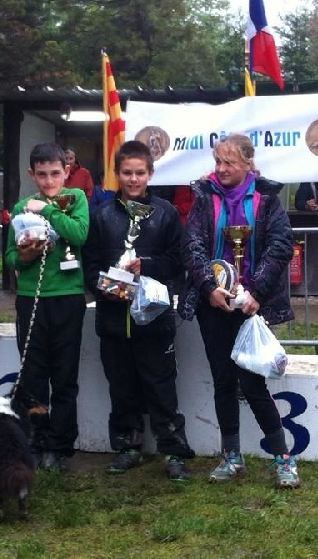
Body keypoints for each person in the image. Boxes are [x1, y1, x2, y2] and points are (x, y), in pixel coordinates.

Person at [179, 133, 301, 489]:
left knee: (252, 381)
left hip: (251, 306)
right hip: (213, 304)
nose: (221, 169)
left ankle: (283, 458)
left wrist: (256, 294)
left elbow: (280, 246)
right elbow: (192, 245)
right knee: (222, 380)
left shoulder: (267, 200)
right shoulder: (204, 197)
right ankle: (231, 456)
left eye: (229, 162)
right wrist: (208, 287)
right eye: (218, 161)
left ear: (249, 163)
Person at [83, 140, 195, 481]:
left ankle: (174, 452)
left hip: (155, 319)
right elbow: (89, 265)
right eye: (127, 173)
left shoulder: (166, 213)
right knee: (121, 385)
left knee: (161, 386)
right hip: (114, 318)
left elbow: (179, 262)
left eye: (140, 173)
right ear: (117, 174)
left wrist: (144, 266)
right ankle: (127, 446)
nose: (133, 180)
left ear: (150, 173)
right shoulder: (101, 215)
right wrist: (105, 287)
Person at [5, 142, 89, 473]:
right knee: (34, 374)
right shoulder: (21, 207)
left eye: (55, 174)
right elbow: (11, 258)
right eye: (42, 175)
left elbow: (80, 235)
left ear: (66, 171)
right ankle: (37, 440)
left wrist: (50, 210)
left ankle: (61, 445)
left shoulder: (75, 199)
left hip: (68, 296)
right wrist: (25, 255)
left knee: (65, 374)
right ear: (32, 174)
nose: (49, 181)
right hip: (31, 297)